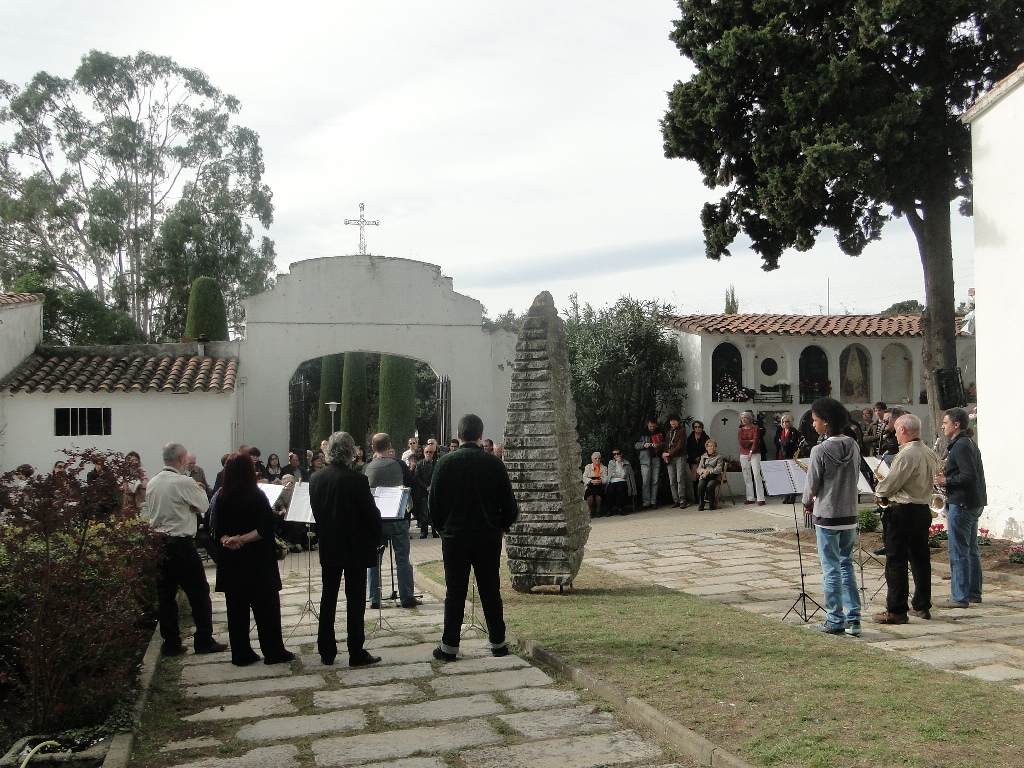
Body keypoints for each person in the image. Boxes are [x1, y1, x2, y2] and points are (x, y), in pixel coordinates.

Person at [429, 413, 518, 661]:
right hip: (488, 536)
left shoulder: (445, 464)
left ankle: (449, 646)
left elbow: (433, 505)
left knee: (455, 592)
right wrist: (501, 527)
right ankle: (498, 643)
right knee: (490, 589)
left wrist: (443, 529)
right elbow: (510, 506)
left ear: (458, 435)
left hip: (455, 537)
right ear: (480, 435)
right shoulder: (494, 464)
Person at [144, 442, 227, 656]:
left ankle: (171, 642)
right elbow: (204, 506)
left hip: (159, 543)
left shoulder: (153, 482)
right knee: (198, 592)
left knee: (166, 595)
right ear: (181, 460)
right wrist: (195, 495)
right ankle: (203, 639)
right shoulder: (184, 482)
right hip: (181, 543)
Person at [309, 431, 383, 667]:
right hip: (355, 547)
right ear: (351, 452)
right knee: (355, 599)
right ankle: (356, 651)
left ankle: (326, 650)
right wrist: (376, 532)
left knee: (328, 597)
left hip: (330, 544)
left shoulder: (316, 479)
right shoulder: (357, 480)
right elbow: (371, 515)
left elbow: (318, 513)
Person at [213, 453, 294, 666]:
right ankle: (273, 651)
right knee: (266, 608)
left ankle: (241, 653)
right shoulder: (257, 496)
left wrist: (229, 540)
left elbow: (217, 529)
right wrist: (241, 538)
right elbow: (264, 529)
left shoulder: (222, 497)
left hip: (232, 560)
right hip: (257, 561)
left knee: (236, 610)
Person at [801, 397, 862, 635]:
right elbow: (855, 478)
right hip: (849, 513)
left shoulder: (820, 450)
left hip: (827, 514)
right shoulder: (854, 445)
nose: (814, 425)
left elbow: (812, 484)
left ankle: (835, 618)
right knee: (846, 565)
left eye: (816, 421)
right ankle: (854, 618)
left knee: (831, 568)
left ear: (826, 423)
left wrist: (807, 503)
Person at [872, 414, 938, 624]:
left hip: (903, 510)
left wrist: (879, 490)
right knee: (920, 559)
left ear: (903, 430)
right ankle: (922, 604)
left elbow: (891, 483)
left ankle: (897, 609)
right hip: (922, 509)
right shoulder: (929, 452)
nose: (895, 435)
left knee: (896, 560)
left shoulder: (907, 454)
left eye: (896, 431)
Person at [934, 407, 988, 608]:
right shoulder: (967, 443)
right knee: (971, 549)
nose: (942, 426)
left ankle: (960, 595)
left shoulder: (961, 446)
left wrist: (946, 480)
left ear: (957, 425)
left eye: (945, 423)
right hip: (972, 502)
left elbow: (968, 475)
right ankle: (974, 592)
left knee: (958, 551)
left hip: (963, 503)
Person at [364, 433, 421, 608]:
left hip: (376, 519)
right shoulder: (399, 464)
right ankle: (407, 597)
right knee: (402, 558)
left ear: (373, 448)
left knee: (373, 560)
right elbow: (412, 484)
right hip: (398, 517)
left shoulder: (367, 467)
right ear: (389, 446)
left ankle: (374, 598)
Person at [634, 417, 664, 509]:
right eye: (651, 426)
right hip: (645, 459)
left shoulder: (659, 432)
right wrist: (644, 445)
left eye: (654, 426)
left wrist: (659, 444)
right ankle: (646, 502)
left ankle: (653, 501)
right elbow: (635, 445)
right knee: (645, 481)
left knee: (655, 480)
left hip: (656, 457)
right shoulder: (642, 432)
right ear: (647, 424)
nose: (652, 428)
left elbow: (665, 443)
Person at [738, 411, 765, 505]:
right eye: (742, 418)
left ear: (749, 418)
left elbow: (756, 441)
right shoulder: (741, 430)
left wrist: (751, 451)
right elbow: (741, 442)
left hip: (755, 453)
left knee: (757, 474)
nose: (743, 420)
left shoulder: (755, 428)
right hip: (743, 453)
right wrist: (750, 440)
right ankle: (750, 497)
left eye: (745, 418)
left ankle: (761, 498)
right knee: (747, 475)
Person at [662, 414, 689, 509]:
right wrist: (664, 454)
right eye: (671, 421)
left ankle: (682, 500)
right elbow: (666, 444)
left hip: (679, 456)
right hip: (670, 457)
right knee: (672, 479)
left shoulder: (682, 430)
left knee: (680, 478)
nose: (673, 422)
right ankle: (675, 500)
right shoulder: (669, 432)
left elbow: (680, 445)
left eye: (675, 421)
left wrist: (669, 453)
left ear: (678, 421)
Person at [774, 414, 802, 504]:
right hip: (782, 454)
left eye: (787, 422)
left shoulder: (793, 431)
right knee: (784, 476)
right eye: (783, 422)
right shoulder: (780, 431)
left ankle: (792, 496)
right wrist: (784, 442)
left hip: (790, 455)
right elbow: (776, 441)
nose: (785, 423)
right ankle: (786, 496)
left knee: (792, 476)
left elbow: (793, 442)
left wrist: (782, 442)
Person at [415, 442, 439, 537]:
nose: (428, 454)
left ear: (433, 453)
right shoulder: (420, 464)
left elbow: (438, 476)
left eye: (430, 452)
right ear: (424, 453)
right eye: (427, 452)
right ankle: (424, 531)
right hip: (423, 491)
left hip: (433, 491)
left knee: (433, 512)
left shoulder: (437, 464)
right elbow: (417, 477)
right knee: (423, 512)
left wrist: (432, 486)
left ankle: (434, 531)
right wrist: (426, 487)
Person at [696, 439, 725, 511]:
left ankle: (712, 504)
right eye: (710, 446)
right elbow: (699, 469)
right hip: (704, 476)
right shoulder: (703, 456)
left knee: (710, 485)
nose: (712, 448)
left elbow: (718, 469)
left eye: (713, 446)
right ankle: (701, 504)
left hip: (714, 476)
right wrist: (703, 471)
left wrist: (709, 472)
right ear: (706, 447)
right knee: (700, 485)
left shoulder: (719, 457)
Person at [605, 449, 636, 515]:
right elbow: (611, 474)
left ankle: (621, 508)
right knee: (610, 490)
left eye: (617, 454)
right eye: (614, 454)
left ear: (621, 454)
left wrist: (619, 463)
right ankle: (609, 510)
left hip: (623, 481)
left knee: (620, 490)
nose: (616, 455)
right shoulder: (611, 463)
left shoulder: (626, 463)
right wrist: (620, 476)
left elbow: (625, 475)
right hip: (613, 481)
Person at [686, 421, 710, 505]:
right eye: (695, 427)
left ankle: (704, 497)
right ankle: (697, 498)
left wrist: (701, 457)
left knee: (703, 479)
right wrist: (695, 457)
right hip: (693, 462)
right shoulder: (690, 438)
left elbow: (708, 448)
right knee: (695, 480)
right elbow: (688, 449)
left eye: (699, 426)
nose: (697, 428)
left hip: (703, 461)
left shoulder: (706, 437)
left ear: (702, 427)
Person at [582, 451, 609, 517]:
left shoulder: (604, 468)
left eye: (599, 458)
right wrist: (591, 481)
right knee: (589, 495)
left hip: (600, 486)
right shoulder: (588, 467)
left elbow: (606, 478)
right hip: (590, 485)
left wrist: (601, 481)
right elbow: (584, 477)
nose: (597, 460)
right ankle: (590, 511)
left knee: (598, 496)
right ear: (592, 460)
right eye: (595, 458)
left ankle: (598, 511)